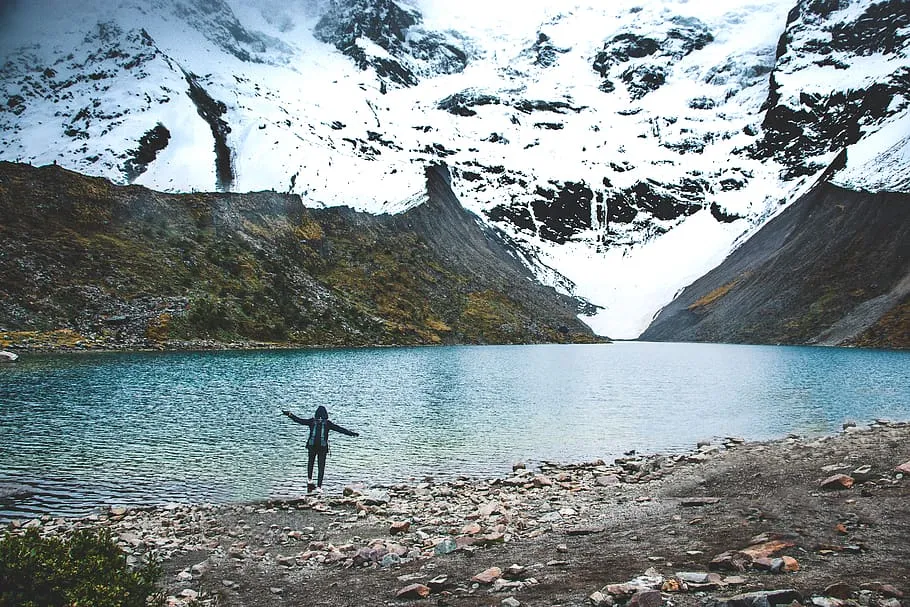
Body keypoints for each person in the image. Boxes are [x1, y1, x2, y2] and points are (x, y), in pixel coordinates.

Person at [282, 405, 359, 493]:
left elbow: (299, 420)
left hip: (312, 446)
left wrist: (289, 414)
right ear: (325, 414)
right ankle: (319, 487)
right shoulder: (327, 423)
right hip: (322, 448)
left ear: (316, 413)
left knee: (310, 462)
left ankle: (309, 480)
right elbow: (340, 429)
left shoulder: (312, 421)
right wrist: (352, 433)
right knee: (321, 467)